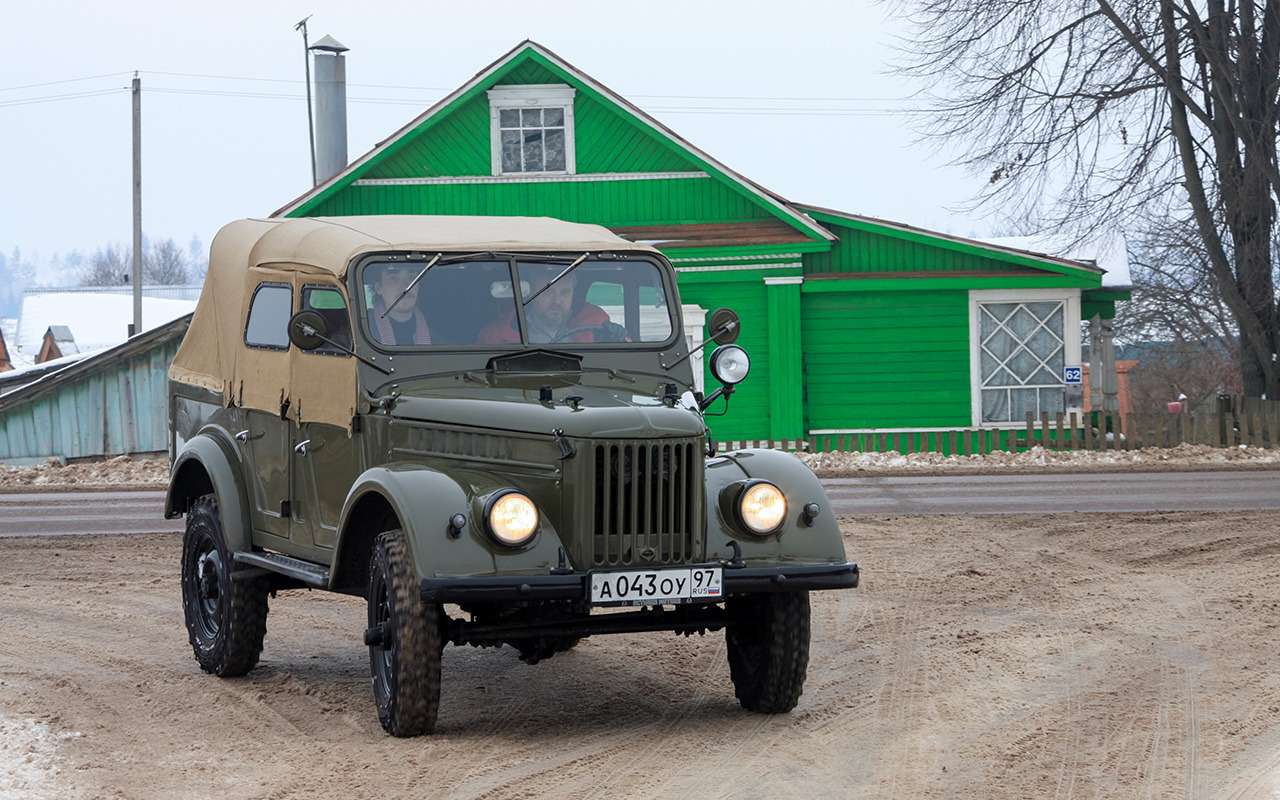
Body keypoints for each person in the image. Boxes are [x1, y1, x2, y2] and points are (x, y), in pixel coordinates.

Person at [477, 267, 612, 345]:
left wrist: (616, 337)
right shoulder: (497, 335)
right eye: (548, 292)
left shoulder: (598, 326)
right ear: (532, 293)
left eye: (565, 293)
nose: (557, 301)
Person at [367, 263, 432, 346]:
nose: (406, 286)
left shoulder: (436, 340)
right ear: (378, 288)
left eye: (412, 277)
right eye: (393, 278)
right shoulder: (362, 329)